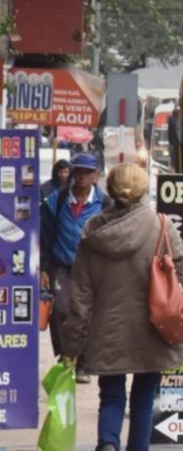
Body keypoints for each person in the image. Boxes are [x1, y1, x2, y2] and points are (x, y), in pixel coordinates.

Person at [61, 163, 183, 451]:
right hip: (154, 330)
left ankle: (107, 447)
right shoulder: (162, 227)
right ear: (142, 190)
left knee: (111, 398)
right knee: (142, 401)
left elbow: (79, 300)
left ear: (110, 190)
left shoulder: (93, 234)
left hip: (107, 332)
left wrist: (71, 349)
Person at [41, 153, 112, 383]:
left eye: (86, 172)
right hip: (62, 266)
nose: (81, 176)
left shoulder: (106, 204)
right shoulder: (57, 200)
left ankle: (82, 364)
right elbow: (45, 236)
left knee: (87, 315)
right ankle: (66, 357)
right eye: (78, 171)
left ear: (95, 175)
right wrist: (43, 268)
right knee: (61, 311)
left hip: (93, 269)